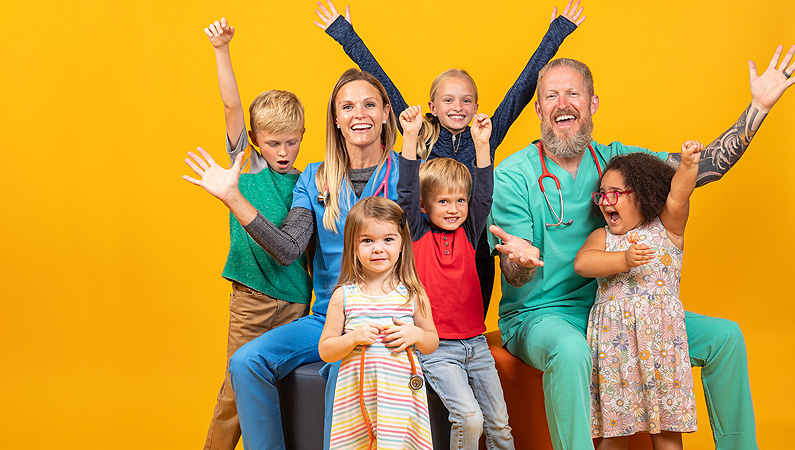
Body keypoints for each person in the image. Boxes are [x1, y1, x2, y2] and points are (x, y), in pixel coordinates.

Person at [488, 47, 795, 450]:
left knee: (724, 337)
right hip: (541, 316)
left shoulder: (618, 161)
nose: (562, 105)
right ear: (539, 108)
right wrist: (520, 262)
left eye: (573, 94)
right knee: (570, 352)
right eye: (551, 96)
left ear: (592, 102)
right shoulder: (513, 173)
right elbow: (515, 272)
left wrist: (756, 108)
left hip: (619, 305)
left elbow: (700, 169)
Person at [313, 0, 586, 316]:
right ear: (432, 105)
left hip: (474, 249)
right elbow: (381, 81)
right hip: (427, 250)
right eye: (448, 100)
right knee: (429, 330)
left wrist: (558, 31)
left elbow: (523, 87)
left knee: (471, 328)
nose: (458, 107)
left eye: (466, 100)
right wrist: (345, 33)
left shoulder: (485, 135)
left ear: (475, 106)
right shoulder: (421, 133)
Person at [183, 68, 400, 450]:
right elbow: (287, 249)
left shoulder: (409, 172)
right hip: (327, 317)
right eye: (347, 106)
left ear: (386, 112)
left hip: (389, 315)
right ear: (335, 118)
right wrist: (233, 197)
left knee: (343, 380)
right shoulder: (313, 178)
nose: (358, 114)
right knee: (247, 362)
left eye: (369, 104)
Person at [197, 17, 312, 450]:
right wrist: (221, 50)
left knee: (283, 391)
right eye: (273, 143)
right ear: (256, 141)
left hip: (297, 302)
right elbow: (231, 107)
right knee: (236, 393)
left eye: (291, 142)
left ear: (302, 136)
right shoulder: (245, 169)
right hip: (252, 300)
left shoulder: (308, 182)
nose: (283, 153)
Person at [574, 143, 704, 450]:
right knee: (615, 435)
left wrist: (686, 165)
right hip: (616, 355)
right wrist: (624, 260)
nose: (607, 201)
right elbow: (582, 263)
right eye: (602, 194)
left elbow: (679, 194)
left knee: (668, 433)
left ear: (642, 193)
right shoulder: (603, 237)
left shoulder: (667, 228)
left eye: (615, 193)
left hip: (662, 350)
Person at [397, 105, 513, 449]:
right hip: (437, 348)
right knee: (469, 419)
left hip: (476, 345)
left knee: (501, 426)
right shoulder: (417, 233)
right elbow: (405, 193)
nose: (454, 209)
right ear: (424, 206)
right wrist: (411, 137)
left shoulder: (469, 231)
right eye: (444, 201)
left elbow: (485, 194)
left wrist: (481, 145)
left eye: (460, 200)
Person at [319, 196, 439, 450]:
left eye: (388, 239)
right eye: (367, 241)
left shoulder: (413, 294)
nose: (378, 248)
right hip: (355, 400)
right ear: (352, 246)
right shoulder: (344, 296)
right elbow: (326, 350)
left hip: (400, 400)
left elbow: (431, 342)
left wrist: (415, 334)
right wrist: (352, 337)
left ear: (402, 244)